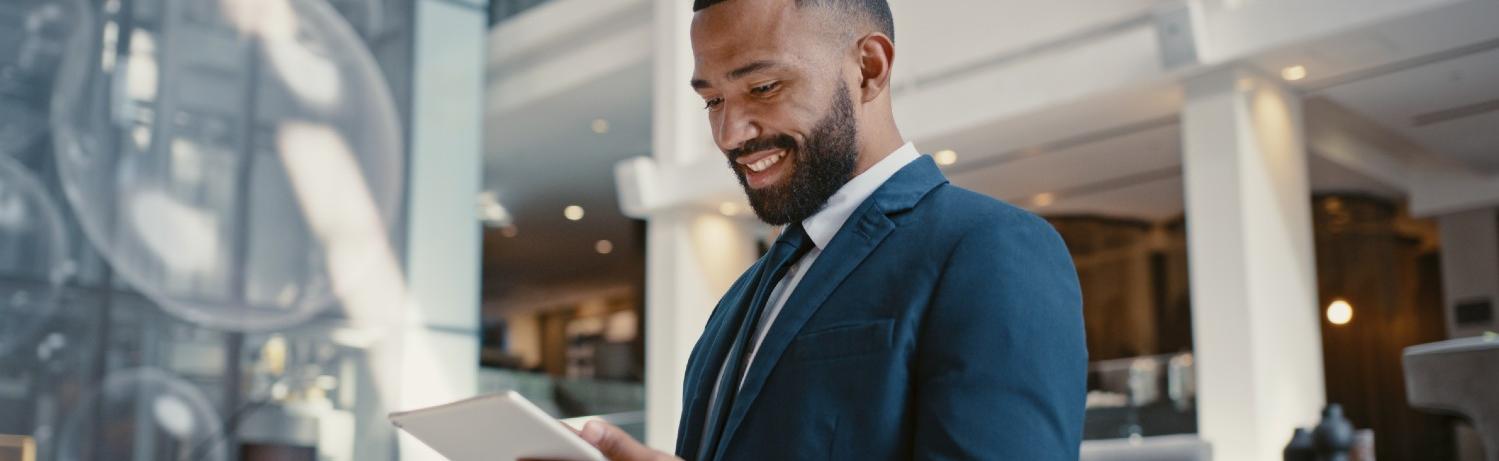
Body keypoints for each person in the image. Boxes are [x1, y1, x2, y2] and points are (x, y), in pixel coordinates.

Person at [571, 0, 1087, 459]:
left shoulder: (989, 249)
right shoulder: (738, 299)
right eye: (713, 100)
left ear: (869, 68)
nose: (730, 133)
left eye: (764, 87)